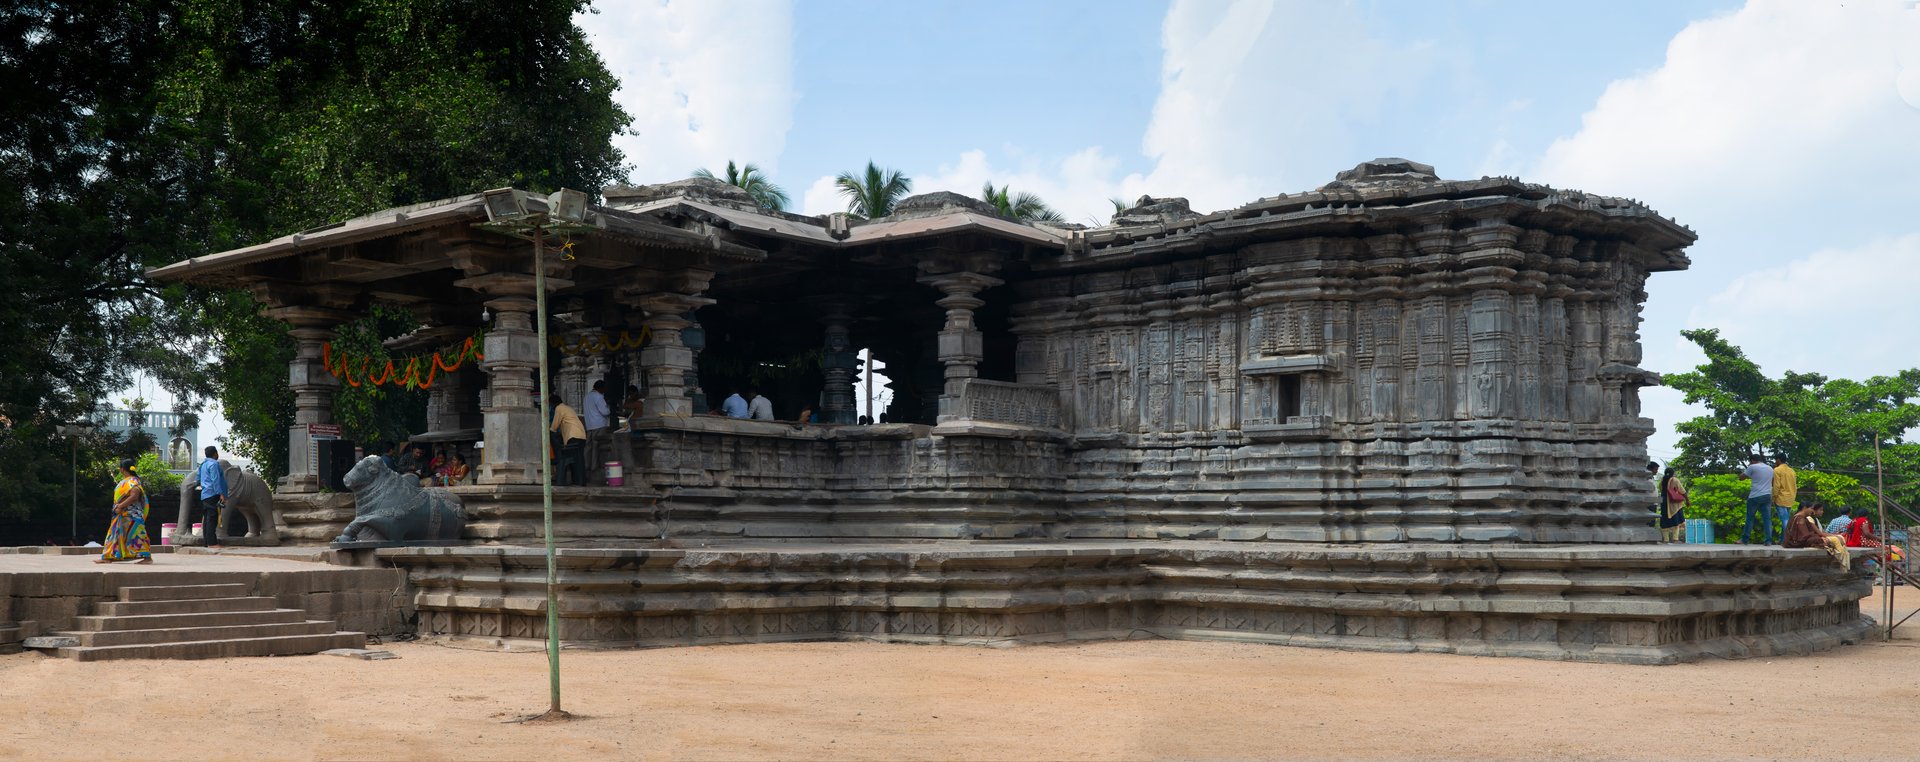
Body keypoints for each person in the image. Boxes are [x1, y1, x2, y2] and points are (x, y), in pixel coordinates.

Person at [97, 458, 153, 564]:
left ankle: (147, 558)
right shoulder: (128, 481)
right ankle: (108, 557)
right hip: (122, 515)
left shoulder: (133, 481)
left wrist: (120, 506)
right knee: (114, 535)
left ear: (122, 469)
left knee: (138, 535)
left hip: (132, 515)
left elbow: (135, 496)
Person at [1784, 503, 1849, 570]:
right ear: (1804, 508)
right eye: (1811, 508)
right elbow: (1804, 536)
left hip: (1799, 540)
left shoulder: (1803, 518)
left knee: (1827, 540)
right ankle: (1842, 562)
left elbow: (1809, 533)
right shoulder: (1799, 518)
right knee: (1822, 540)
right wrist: (1820, 538)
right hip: (1794, 542)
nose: (1812, 511)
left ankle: (1842, 561)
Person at [549, 394, 587, 486]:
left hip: (573, 436)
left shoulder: (559, 408)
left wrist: (550, 431)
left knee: (570, 459)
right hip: (581, 435)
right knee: (579, 460)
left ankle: (576, 481)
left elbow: (554, 426)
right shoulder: (567, 408)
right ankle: (580, 481)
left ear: (553, 403)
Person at [1739, 453, 1775, 544]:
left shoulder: (1752, 467)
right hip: (1767, 495)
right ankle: (1768, 541)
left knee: (1750, 518)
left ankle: (1745, 539)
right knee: (1767, 519)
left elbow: (1741, 478)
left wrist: (1748, 467)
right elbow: (1772, 482)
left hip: (1755, 496)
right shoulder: (1770, 468)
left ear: (1752, 460)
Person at [197, 445, 229, 546]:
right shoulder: (214, 464)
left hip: (205, 494)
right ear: (215, 454)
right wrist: (221, 494)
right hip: (213, 494)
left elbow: (198, 478)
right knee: (212, 519)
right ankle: (212, 543)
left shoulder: (203, 465)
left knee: (207, 519)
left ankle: (207, 542)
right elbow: (215, 480)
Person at [583, 380, 612, 476]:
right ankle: (594, 466)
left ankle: (586, 465)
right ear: (601, 388)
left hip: (589, 425)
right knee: (596, 446)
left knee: (588, 447)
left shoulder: (587, 396)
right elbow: (605, 412)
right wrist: (609, 408)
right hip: (599, 424)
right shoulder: (599, 397)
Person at [1772, 454, 1798, 546]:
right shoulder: (1792, 471)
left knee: (1785, 520)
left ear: (1778, 460)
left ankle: (1787, 540)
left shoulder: (1777, 470)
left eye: (1776, 460)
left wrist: (1773, 497)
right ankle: (1782, 540)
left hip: (1781, 498)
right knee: (1786, 519)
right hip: (1790, 498)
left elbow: (1776, 485)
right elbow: (1795, 486)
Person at [1658, 464, 1688, 543]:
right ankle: (1675, 539)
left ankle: (1666, 540)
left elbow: (1660, 488)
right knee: (1676, 521)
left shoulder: (1662, 480)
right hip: (1673, 503)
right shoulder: (1675, 480)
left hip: (1664, 503)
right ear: (1672, 473)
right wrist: (1687, 500)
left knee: (1664, 521)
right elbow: (1682, 491)